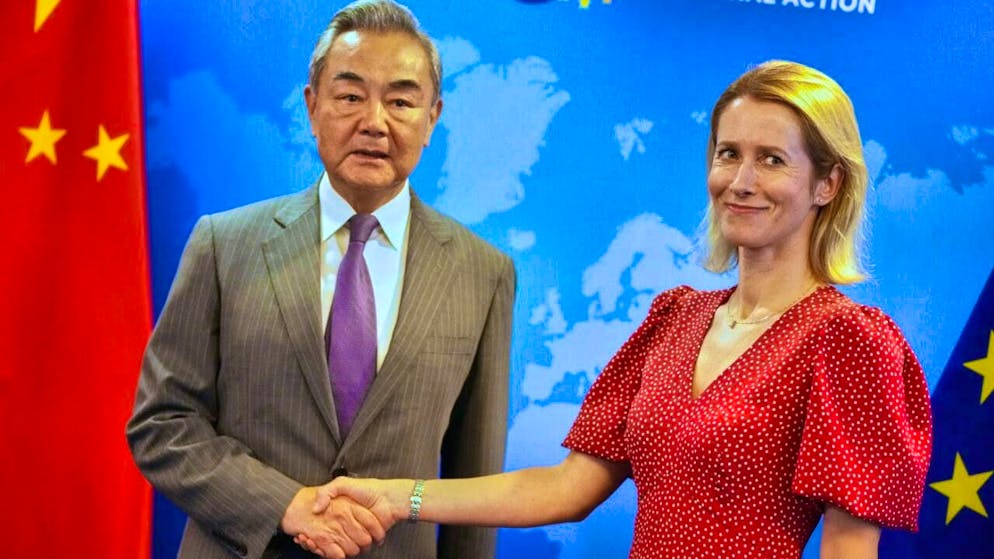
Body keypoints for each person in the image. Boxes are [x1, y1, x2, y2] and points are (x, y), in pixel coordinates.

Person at [301, 60, 933, 559]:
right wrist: (392, 496)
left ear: (828, 184)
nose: (741, 180)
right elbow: (566, 488)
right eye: (728, 153)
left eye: (773, 159)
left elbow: (850, 548)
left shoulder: (850, 341)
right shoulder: (675, 318)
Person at [126, 1, 515, 558]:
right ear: (312, 107)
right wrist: (283, 504)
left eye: (401, 100)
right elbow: (161, 424)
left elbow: (473, 482)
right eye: (351, 96)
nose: (374, 122)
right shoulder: (223, 244)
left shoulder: (483, 273)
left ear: (432, 118)